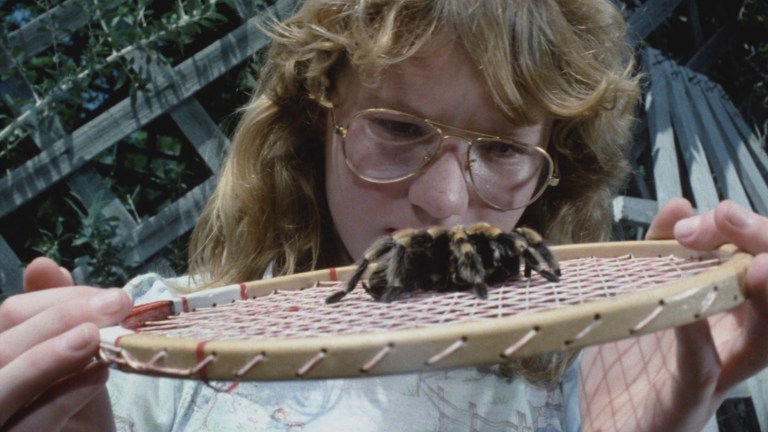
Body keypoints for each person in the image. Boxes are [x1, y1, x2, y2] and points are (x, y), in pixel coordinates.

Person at [1, 0, 767, 430]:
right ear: (315, 122)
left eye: (502, 150)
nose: (442, 203)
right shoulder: (162, 351)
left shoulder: (574, 379)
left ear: (554, 174)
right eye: (399, 130)